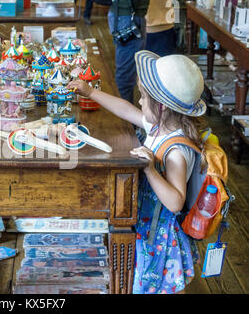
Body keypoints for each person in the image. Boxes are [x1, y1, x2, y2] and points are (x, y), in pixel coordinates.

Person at [68, 50, 207, 293]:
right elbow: (125, 110)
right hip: (143, 225)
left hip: (158, 236)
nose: (140, 102)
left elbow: (175, 202)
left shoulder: (176, 149)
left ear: (162, 105)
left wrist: (151, 170)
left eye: (143, 97)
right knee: (144, 283)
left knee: (155, 284)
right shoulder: (158, 126)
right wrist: (90, 92)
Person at [108, 0, 150, 104]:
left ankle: (124, 114)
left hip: (123, 13)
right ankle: (124, 117)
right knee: (125, 74)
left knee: (126, 70)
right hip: (128, 16)